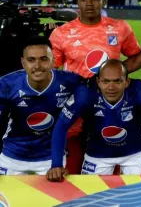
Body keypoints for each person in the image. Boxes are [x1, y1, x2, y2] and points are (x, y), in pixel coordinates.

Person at [49, 0, 141, 174]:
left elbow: (136, 57)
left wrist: (117, 77)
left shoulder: (120, 28)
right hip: (76, 107)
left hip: (110, 107)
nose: (89, 3)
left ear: (103, 1)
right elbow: (52, 71)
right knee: (72, 171)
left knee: (110, 172)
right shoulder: (61, 33)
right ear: (77, 2)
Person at [47, 60, 141, 186]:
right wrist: (56, 164)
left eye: (117, 81)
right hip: (97, 154)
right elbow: (61, 126)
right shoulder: (84, 94)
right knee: (92, 197)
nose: (111, 87)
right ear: (98, 82)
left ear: (126, 82)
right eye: (106, 81)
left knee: (140, 196)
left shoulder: (140, 91)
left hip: (136, 152)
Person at [0, 37, 82, 175]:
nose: (37, 66)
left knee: (55, 197)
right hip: (12, 157)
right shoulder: (6, 84)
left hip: (51, 158)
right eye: (31, 60)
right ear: (23, 63)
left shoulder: (71, 81)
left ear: (53, 62)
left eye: (44, 59)